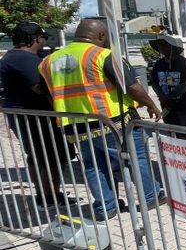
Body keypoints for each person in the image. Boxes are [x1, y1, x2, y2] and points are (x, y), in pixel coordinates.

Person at [40, 18, 163, 221]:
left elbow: (47, 93)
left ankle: (106, 207)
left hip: (75, 126)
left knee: (93, 165)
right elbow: (132, 87)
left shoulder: (48, 61)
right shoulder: (102, 55)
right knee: (136, 159)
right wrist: (151, 104)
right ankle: (151, 197)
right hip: (113, 122)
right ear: (101, 36)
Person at [0, 22, 75, 208]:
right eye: (44, 38)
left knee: (38, 156)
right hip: (36, 117)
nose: (44, 41)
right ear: (37, 39)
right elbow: (40, 88)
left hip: (28, 116)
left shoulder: (17, 57)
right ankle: (51, 197)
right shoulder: (23, 60)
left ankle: (45, 195)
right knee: (50, 157)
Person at [150, 35, 186, 128]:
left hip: (184, 105)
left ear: (172, 47)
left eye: (163, 45)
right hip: (166, 105)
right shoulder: (158, 64)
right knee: (170, 129)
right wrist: (162, 96)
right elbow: (154, 83)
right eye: (159, 46)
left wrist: (169, 97)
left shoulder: (185, 63)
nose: (161, 48)